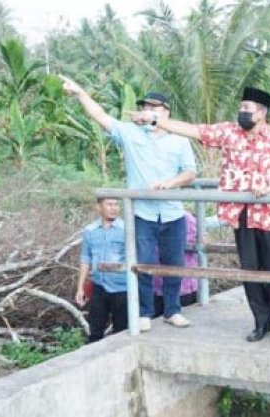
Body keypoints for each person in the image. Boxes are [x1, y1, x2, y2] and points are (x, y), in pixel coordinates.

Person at [132, 87, 270, 344]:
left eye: (247, 109)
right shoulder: (229, 133)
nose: (241, 112)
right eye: (241, 107)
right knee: (250, 272)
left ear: (262, 113)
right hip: (240, 214)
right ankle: (261, 321)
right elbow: (194, 130)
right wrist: (156, 120)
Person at [61, 75, 197, 332]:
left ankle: (172, 310)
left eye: (153, 107)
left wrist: (171, 183)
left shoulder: (180, 139)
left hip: (172, 212)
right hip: (142, 212)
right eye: (145, 107)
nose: (147, 111)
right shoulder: (131, 133)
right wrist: (80, 93)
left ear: (166, 112)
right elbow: (100, 116)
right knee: (143, 262)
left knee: (174, 263)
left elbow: (190, 172)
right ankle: (145, 312)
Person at [75, 198, 127, 343]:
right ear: (99, 207)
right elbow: (85, 258)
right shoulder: (90, 230)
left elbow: (134, 260)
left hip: (122, 288)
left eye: (116, 205)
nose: (114, 208)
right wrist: (80, 288)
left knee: (121, 331)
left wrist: (111, 267)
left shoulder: (126, 229)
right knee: (95, 331)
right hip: (99, 286)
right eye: (109, 204)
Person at [152, 212, 199, 316]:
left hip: (183, 286)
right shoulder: (149, 216)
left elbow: (192, 241)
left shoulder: (186, 219)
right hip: (157, 285)